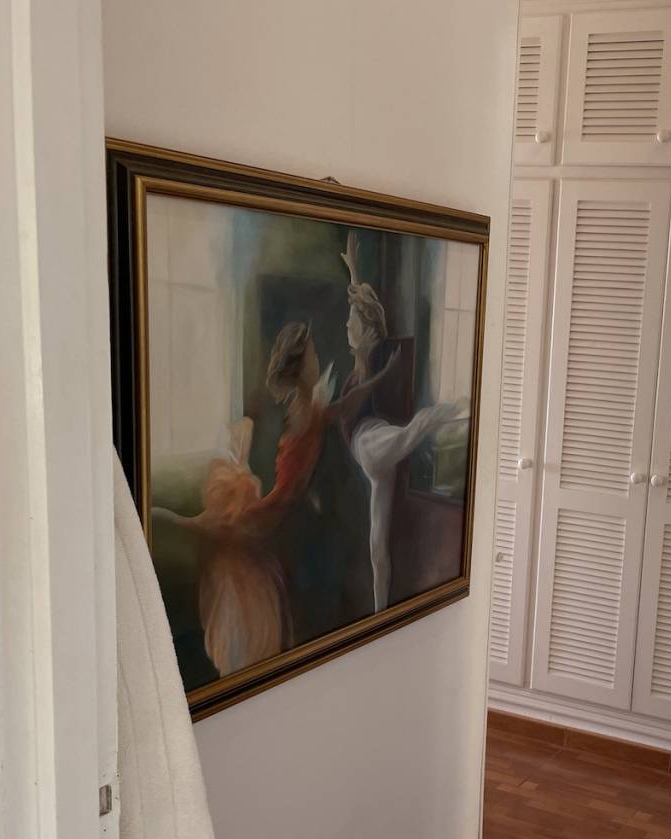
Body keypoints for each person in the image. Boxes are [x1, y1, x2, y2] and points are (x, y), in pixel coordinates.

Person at [156, 320, 395, 674]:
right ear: (300, 366)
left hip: (290, 508)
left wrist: (381, 376)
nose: (317, 359)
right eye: (311, 355)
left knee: (226, 535)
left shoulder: (309, 405)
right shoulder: (304, 412)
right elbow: (295, 481)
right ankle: (168, 521)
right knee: (223, 532)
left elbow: (345, 405)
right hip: (280, 507)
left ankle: (172, 522)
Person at [335, 234, 465, 612]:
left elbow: (364, 317)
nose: (346, 326)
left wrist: (358, 289)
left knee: (411, 431)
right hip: (375, 462)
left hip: (369, 443)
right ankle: (381, 610)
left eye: (351, 324)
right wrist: (354, 271)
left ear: (366, 334)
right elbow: (361, 309)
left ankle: (452, 410)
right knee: (377, 547)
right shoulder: (362, 354)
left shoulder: (366, 362)